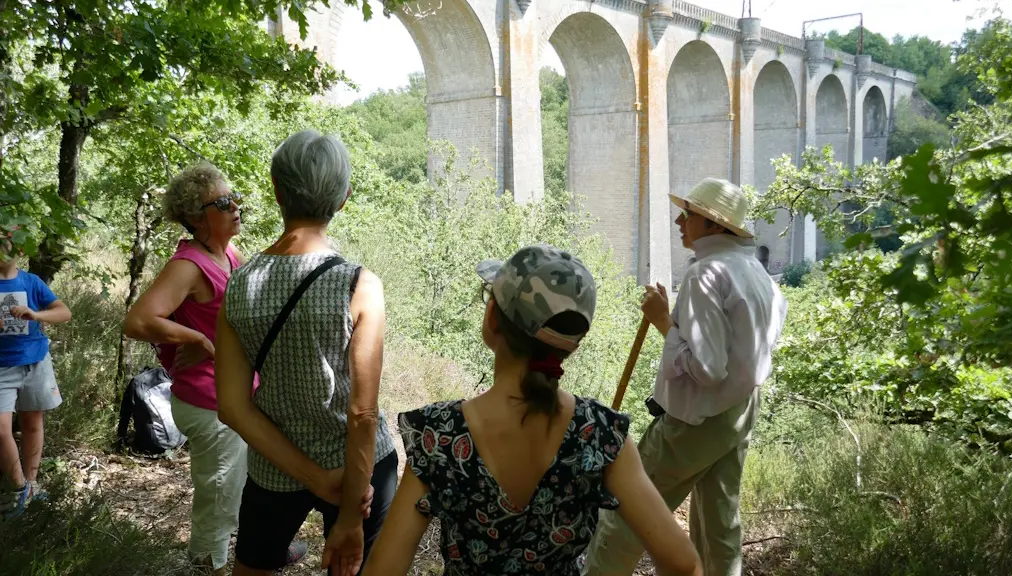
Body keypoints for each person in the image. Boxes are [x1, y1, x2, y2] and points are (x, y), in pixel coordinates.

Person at [362, 244, 704, 576]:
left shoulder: (439, 434)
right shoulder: (599, 434)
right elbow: (683, 564)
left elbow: (383, 569)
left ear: (492, 316)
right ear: (572, 344)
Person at [584, 178, 789, 576]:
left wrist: (663, 320)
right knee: (717, 525)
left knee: (626, 514)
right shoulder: (757, 273)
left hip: (696, 420)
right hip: (739, 414)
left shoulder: (705, 276)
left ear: (714, 225)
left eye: (689, 214)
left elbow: (707, 369)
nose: (680, 221)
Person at [215, 130, 398, 576]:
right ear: (344, 198)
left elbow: (233, 408)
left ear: (277, 191)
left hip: (274, 468)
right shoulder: (359, 285)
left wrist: (314, 479)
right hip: (362, 471)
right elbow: (362, 413)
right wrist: (351, 516)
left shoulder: (239, 284)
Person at [123, 164, 304, 574]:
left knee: (245, 485)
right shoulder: (188, 265)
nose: (235, 206)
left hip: (233, 394)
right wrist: (197, 341)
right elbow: (137, 321)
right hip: (210, 403)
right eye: (223, 202)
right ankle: (212, 567)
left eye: (233, 197)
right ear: (196, 216)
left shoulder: (226, 254)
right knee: (220, 497)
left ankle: (261, 551)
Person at [0, 228, 72, 518]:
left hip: (35, 361)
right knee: (2, 429)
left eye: (11, 245)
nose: (5, 250)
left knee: (32, 421)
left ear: (21, 250)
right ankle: (19, 488)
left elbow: (63, 312)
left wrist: (35, 314)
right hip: (2, 366)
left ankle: (31, 483)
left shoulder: (31, 282)